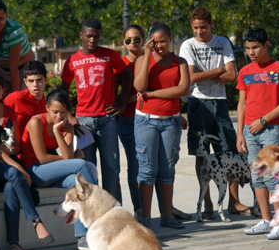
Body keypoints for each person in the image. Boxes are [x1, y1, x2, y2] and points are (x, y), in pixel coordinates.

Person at [178, 7, 251, 219]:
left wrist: (208, 74)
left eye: (203, 27)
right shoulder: (188, 45)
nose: (199, 32)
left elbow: (232, 76)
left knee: (229, 152)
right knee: (202, 154)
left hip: (220, 103)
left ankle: (233, 201)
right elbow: (191, 77)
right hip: (198, 103)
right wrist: (218, 70)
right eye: (195, 28)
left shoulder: (222, 42)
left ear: (211, 25)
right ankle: (208, 202)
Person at [0, 73, 54, 250]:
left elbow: (15, 147)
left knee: (11, 187)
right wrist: (17, 167)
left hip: (7, 165)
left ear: (3, 91)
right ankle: (36, 221)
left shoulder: (9, 111)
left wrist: (11, 159)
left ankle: (13, 243)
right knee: (15, 174)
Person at [61, 18, 133, 204]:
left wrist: (122, 103)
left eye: (97, 36)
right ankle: (93, 213)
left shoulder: (110, 56)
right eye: (89, 36)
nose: (93, 40)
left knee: (112, 168)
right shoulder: (72, 61)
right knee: (88, 170)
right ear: (81, 35)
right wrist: (70, 116)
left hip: (107, 119)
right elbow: (63, 92)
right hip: (83, 122)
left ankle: (114, 211)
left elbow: (127, 75)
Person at [20, 89, 98, 249]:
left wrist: (57, 131)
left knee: (76, 183)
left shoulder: (66, 126)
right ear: (47, 107)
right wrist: (70, 157)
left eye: (63, 112)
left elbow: (68, 155)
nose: (59, 116)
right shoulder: (36, 122)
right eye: (55, 112)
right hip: (34, 170)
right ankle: (99, 210)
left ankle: (82, 236)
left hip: (52, 170)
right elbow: (42, 158)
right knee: (81, 165)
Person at [134, 23, 190, 229]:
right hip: (145, 120)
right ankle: (146, 219)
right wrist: (147, 54)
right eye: (154, 42)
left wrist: (152, 94)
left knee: (167, 169)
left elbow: (182, 89)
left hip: (171, 121)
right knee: (147, 169)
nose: (159, 46)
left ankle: (167, 216)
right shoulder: (142, 59)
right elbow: (139, 86)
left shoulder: (180, 62)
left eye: (163, 41)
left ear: (171, 38)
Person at [236, 28, 279, 239]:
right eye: (247, 48)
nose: (251, 52)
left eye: (255, 47)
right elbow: (242, 104)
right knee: (257, 176)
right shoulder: (245, 71)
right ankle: (266, 220)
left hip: (271, 129)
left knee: (273, 176)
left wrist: (263, 120)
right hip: (249, 130)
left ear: (266, 45)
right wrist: (240, 133)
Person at [117, 25, 145, 217]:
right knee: (135, 166)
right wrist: (136, 97)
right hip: (128, 120)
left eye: (136, 39)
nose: (132, 43)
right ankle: (139, 209)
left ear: (143, 39)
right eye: (128, 40)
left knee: (157, 166)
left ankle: (166, 209)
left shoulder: (151, 60)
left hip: (151, 118)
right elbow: (116, 99)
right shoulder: (121, 64)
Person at [0, 0, 35, 93]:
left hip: (25, 68)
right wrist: (2, 84)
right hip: (2, 70)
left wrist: (16, 94)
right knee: (1, 96)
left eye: (1, 18)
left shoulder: (15, 31)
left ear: (6, 16)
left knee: (21, 97)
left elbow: (13, 64)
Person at [3, 61, 48, 141]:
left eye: (39, 80)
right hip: (18, 150)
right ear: (25, 82)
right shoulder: (16, 98)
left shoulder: (49, 103)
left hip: (43, 148)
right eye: (31, 81)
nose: (35, 84)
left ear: (46, 80)